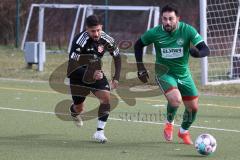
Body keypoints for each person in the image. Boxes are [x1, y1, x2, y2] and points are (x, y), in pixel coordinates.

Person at [134, 4, 210, 145]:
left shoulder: (187, 30)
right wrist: (141, 68)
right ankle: (169, 123)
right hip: (164, 73)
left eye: (171, 19)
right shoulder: (155, 32)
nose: (167, 22)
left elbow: (205, 49)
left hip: (183, 74)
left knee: (193, 108)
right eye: (164, 19)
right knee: (175, 99)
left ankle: (183, 132)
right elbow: (138, 45)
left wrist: (198, 53)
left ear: (177, 19)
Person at [67, 14, 121, 143]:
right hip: (78, 75)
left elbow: (117, 57)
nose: (96, 34)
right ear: (87, 29)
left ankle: (99, 132)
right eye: (92, 31)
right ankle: (74, 112)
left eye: (98, 30)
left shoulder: (106, 39)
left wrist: (116, 78)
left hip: (96, 73)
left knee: (106, 97)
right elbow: (71, 66)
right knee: (79, 108)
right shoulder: (80, 40)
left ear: (101, 27)